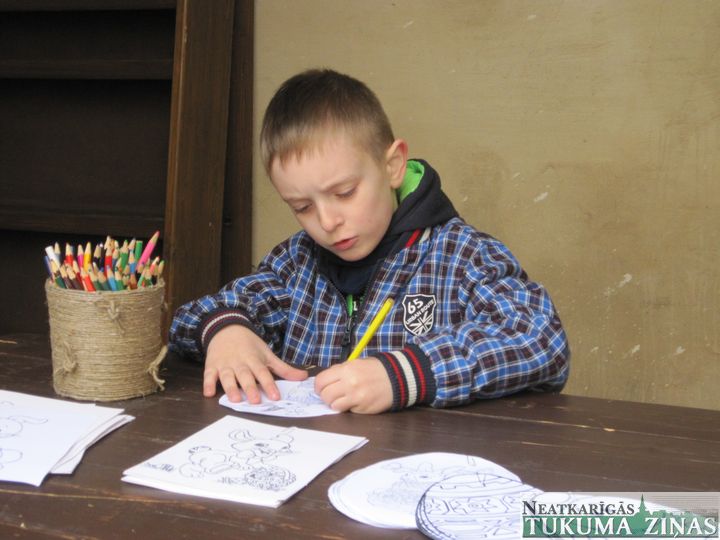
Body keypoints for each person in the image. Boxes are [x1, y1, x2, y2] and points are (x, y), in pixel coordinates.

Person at [169, 68, 570, 414]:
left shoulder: (464, 257)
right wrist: (226, 331)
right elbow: (188, 319)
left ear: (393, 166)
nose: (327, 222)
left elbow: (541, 339)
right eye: (302, 207)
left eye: (344, 193)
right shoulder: (295, 263)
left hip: (411, 465)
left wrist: (406, 374)